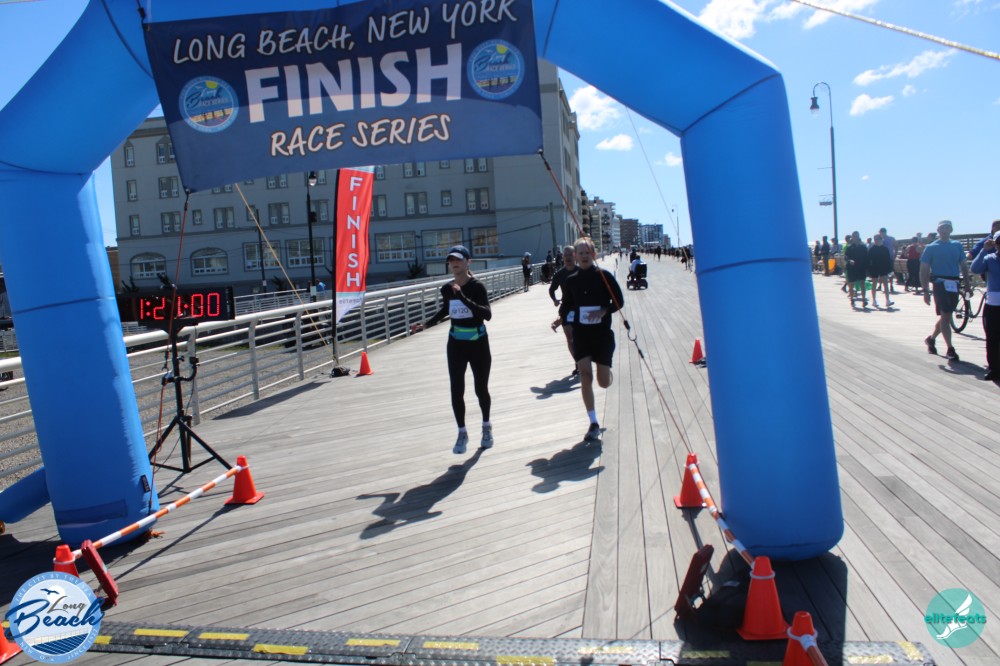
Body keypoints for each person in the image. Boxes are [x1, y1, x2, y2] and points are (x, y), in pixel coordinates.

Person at [414, 245, 494, 453]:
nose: (454, 263)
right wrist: (426, 324)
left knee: (481, 389)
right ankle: (462, 432)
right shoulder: (447, 288)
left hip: (478, 343)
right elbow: (445, 310)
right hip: (456, 344)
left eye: (458, 260)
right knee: (456, 389)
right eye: (451, 261)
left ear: (468, 262)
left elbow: (487, 314)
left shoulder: (477, 287)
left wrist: (462, 297)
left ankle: (486, 427)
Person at [557, 237, 624, 441]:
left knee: (603, 383)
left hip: (602, 335)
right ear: (575, 256)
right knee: (585, 376)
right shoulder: (571, 281)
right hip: (581, 335)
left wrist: (604, 311)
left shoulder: (604, 276)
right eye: (581, 253)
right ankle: (593, 422)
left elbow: (618, 301)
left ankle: (607, 372)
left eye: (588, 253)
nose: (584, 256)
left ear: (593, 254)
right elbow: (566, 306)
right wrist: (561, 319)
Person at [920, 220, 971, 361]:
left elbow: (964, 266)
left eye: (947, 227)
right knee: (946, 314)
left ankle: (931, 339)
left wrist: (967, 285)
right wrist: (925, 290)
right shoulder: (931, 247)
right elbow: (923, 270)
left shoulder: (957, 245)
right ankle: (950, 349)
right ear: (938, 230)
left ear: (951, 230)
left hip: (954, 283)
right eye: (942, 227)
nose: (944, 230)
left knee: (946, 316)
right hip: (940, 284)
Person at [969, 230, 1000, 381]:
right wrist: (983, 250)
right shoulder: (989, 258)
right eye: (999, 242)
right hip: (993, 304)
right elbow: (975, 269)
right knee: (992, 337)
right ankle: (994, 368)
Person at [549, 245, 579, 376]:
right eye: (565, 255)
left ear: (575, 256)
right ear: (562, 257)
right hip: (566, 308)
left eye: (570, 255)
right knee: (570, 339)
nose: (567, 257)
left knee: (580, 338)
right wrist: (555, 300)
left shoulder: (581, 271)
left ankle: (582, 360)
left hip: (580, 308)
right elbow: (551, 289)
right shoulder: (560, 274)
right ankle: (577, 363)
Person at [867, 234, 893, 308]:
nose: (876, 240)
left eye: (877, 239)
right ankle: (874, 300)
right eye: (875, 239)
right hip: (874, 268)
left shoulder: (885, 249)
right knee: (874, 284)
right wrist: (869, 270)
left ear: (881, 239)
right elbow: (868, 260)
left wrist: (890, 269)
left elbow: (888, 260)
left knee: (885, 284)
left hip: (883, 268)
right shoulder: (872, 249)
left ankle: (887, 300)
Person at [844, 231, 869, 308]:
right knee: (851, 284)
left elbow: (867, 257)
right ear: (852, 237)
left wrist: (867, 268)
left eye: (857, 236)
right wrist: (849, 260)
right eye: (854, 236)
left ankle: (864, 300)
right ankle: (852, 299)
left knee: (862, 283)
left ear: (858, 237)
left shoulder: (863, 247)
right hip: (852, 268)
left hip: (861, 267)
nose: (855, 237)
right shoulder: (849, 247)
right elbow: (846, 257)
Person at [879, 227, 897, 293]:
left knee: (890, 271)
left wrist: (894, 255)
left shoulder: (890, 238)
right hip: (882, 258)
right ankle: (881, 285)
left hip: (889, 257)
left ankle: (891, 285)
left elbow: (896, 246)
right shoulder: (880, 239)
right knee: (883, 272)